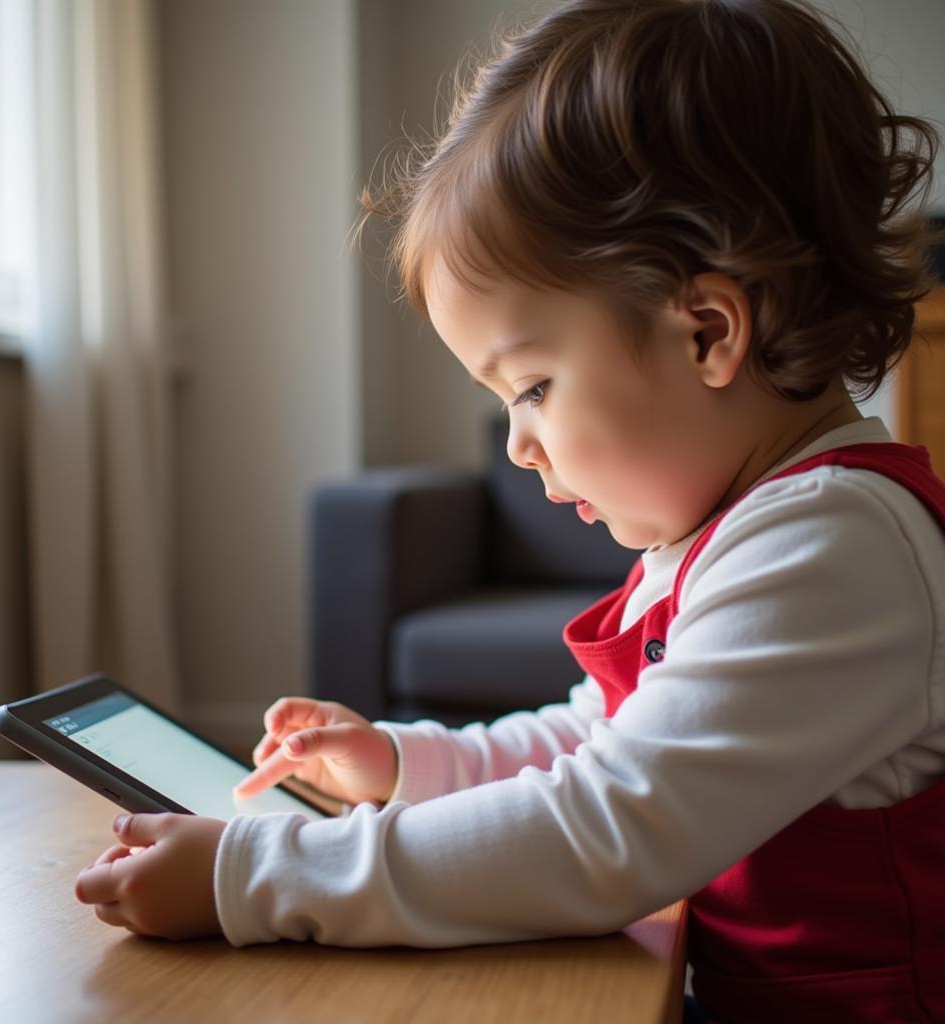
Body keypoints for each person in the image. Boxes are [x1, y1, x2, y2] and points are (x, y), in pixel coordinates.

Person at [74, 1, 945, 1019]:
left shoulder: (831, 547)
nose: (518, 445)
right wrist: (404, 761)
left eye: (530, 387)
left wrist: (260, 875)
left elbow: (601, 830)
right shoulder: (732, 532)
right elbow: (594, 746)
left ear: (707, 331)